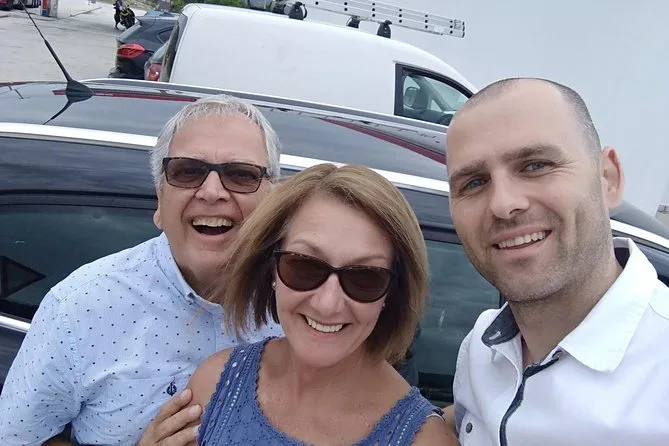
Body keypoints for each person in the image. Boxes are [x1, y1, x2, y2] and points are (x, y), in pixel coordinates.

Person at [0, 94, 285, 446]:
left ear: (273, 199)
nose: (212, 192)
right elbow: (17, 438)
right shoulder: (80, 307)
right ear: (159, 199)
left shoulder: (311, 303)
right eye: (188, 171)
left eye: (241, 174)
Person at [444, 77, 669, 445]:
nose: (503, 204)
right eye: (473, 182)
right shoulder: (482, 348)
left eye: (535, 165)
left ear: (608, 179)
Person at [183, 163, 460, 445]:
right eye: (304, 266)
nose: (328, 304)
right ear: (271, 269)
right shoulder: (215, 387)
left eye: (364, 278)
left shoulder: (425, 440)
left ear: (392, 293)